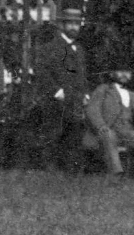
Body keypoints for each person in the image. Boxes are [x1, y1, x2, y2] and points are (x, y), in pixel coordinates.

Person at [27, 9, 91, 171]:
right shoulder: (51, 47)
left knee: (74, 133)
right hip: (55, 99)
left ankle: (69, 172)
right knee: (53, 133)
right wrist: (56, 91)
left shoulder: (79, 49)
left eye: (76, 24)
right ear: (62, 25)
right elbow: (42, 72)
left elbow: (81, 75)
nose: (73, 27)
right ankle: (48, 170)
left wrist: (85, 94)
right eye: (70, 23)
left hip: (75, 98)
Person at [84, 67, 134, 183]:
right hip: (108, 130)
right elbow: (92, 109)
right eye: (120, 71)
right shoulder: (103, 89)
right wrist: (101, 125)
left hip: (130, 133)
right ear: (112, 74)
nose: (124, 75)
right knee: (109, 135)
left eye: (127, 72)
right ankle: (116, 176)